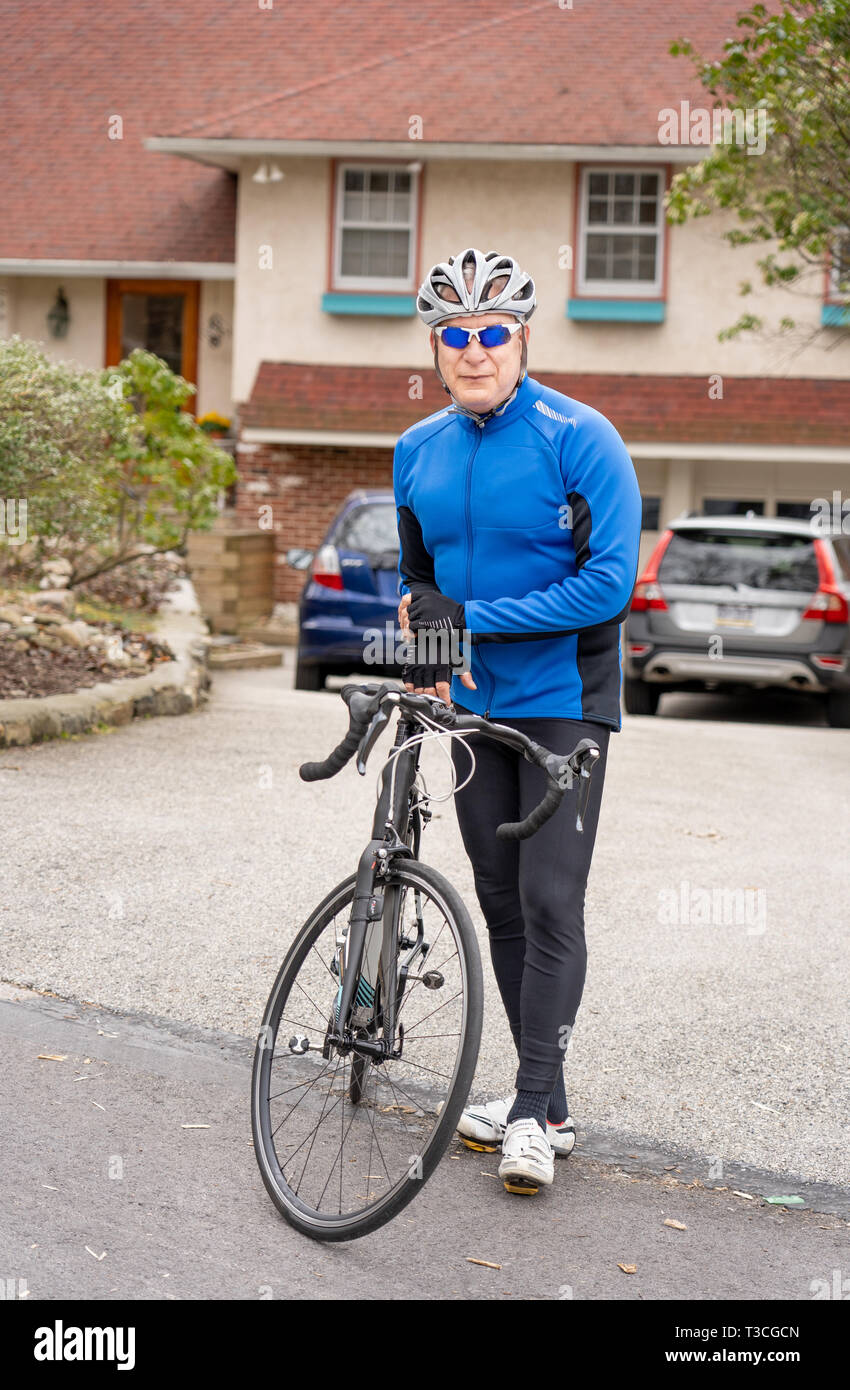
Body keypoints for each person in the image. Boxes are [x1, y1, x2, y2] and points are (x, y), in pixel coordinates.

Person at [393, 248, 642, 1194]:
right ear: (436, 344)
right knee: (497, 900)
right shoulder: (417, 449)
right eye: (455, 335)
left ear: (522, 338)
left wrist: (478, 621)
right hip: (470, 709)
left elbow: (609, 585)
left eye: (491, 333)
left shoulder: (580, 437)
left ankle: (531, 1113)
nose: (474, 350)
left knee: (549, 901)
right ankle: (551, 1100)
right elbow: (420, 584)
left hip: (564, 706)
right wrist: (424, 677)